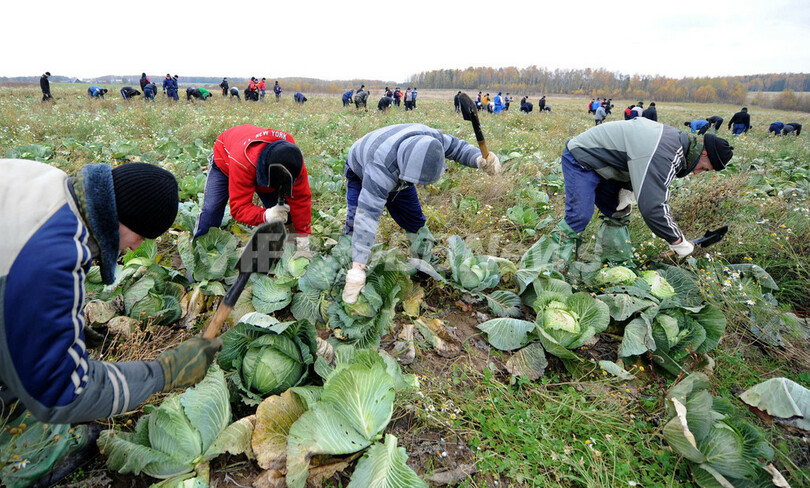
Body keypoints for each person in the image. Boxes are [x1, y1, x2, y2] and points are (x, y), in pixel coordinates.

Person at [1, 160, 220, 483]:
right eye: (143, 234)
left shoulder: (47, 182)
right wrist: (163, 373)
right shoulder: (53, 254)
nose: (139, 246)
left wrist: (61, 326)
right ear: (123, 216)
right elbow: (61, 391)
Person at [340, 123, 502, 304]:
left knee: (414, 219)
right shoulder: (381, 168)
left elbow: (457, 148)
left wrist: (478, 159)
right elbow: (367, 216)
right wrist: (358, 269)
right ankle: (347, 265)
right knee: (355, 221)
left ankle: (425, 263)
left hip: (394, 164)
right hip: (361, 166)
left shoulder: (433, 139)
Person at [553, 118, 733, 267]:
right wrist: (677, 241)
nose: (696, 172)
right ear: (704, 153)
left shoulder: (678, 146)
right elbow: (653, 208)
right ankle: (543, 268)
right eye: (704, 168)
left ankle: (611, 263)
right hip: (583, 158)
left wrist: (627, 189)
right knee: (578, 216)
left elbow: (638, 162)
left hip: (610, 166)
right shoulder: (666, 153)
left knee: (618, 213)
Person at [193, 125, 312, 256]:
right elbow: (238, 208)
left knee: (284, 212)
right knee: (212, 210)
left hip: (261, 165)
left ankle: (290, 248)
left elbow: (301, 200)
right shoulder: (242, 161)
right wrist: (265, 215)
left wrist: (303, 240)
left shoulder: (293, 160)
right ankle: (199, 253)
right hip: (225, 163)